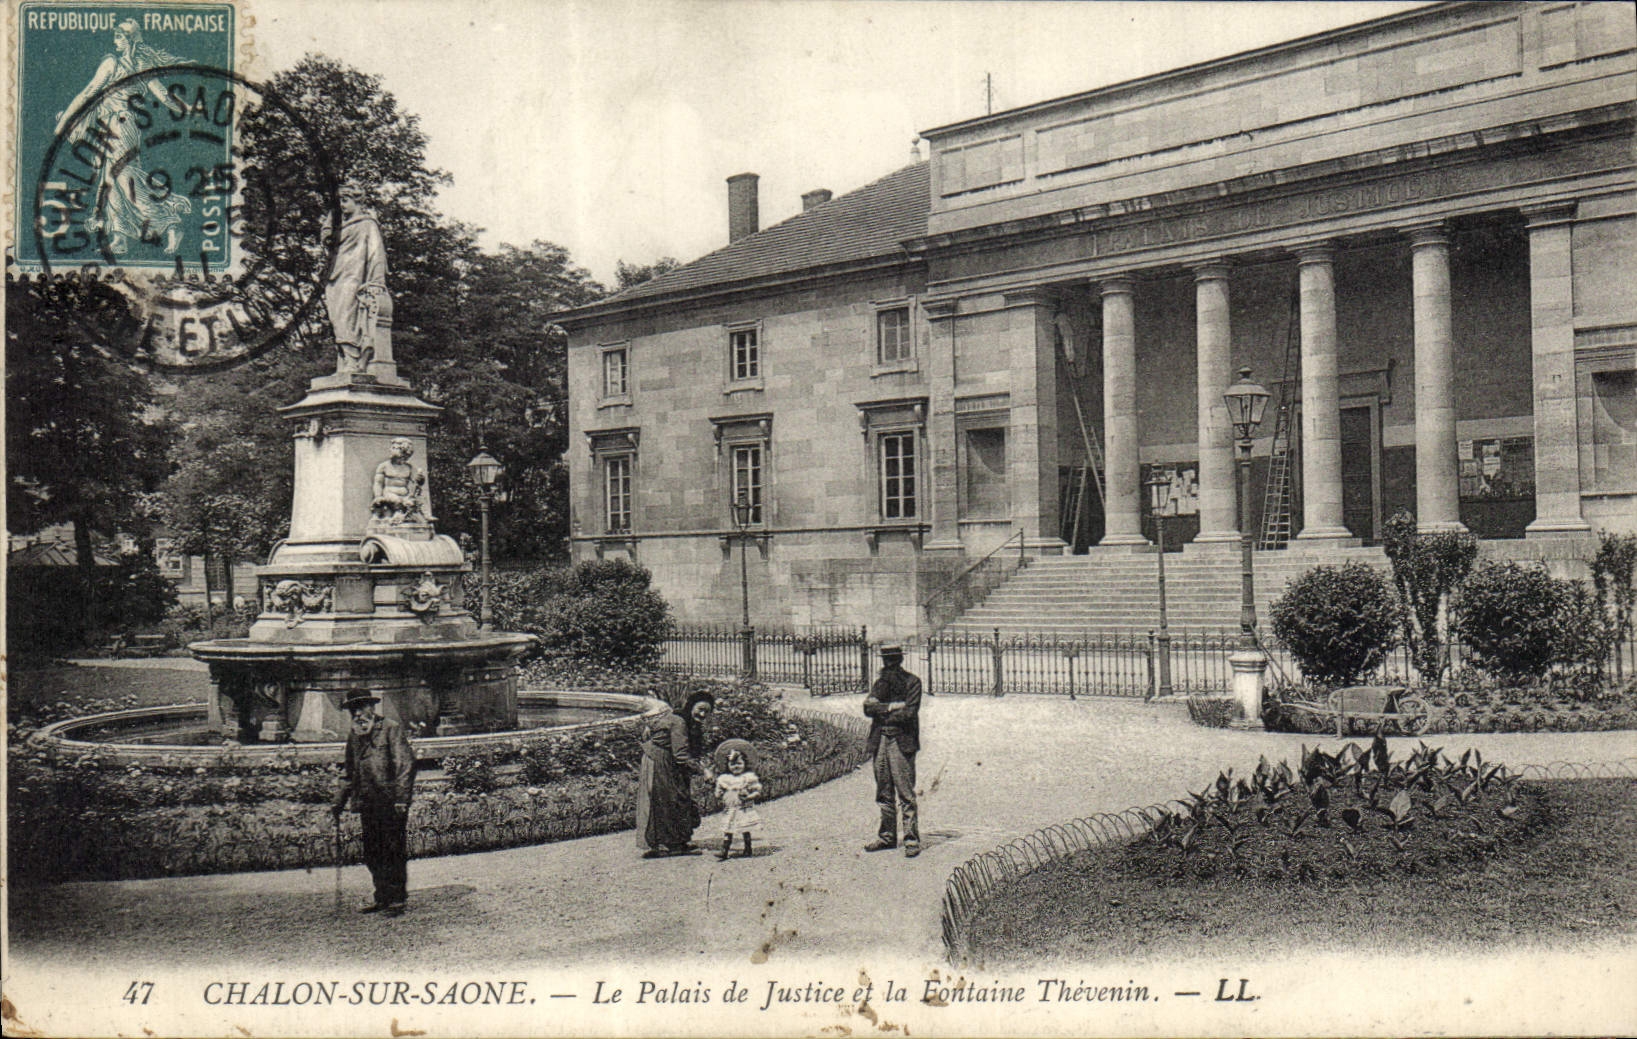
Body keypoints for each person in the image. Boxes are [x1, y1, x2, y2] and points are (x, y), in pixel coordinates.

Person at [53, 20, 192, 255]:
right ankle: (119, 236)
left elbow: (163, 95)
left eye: (118, 37)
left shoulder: (120, 63)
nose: (114, 41)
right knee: (111, 181)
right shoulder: (131, 63)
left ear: (129, 39)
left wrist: (187, 109)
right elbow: (90, 93)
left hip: (122, 124)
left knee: (125, 179)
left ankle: (170, 221)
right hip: (110, 125)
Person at [331, 691, 416, 916]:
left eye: (362, 707)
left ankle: (397, 898)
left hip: (390, 802)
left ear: (372, 707)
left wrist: (401, 799)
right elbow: (349, 771)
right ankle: (382, 896)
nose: (358, 714)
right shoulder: (355, 734)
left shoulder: (390, 728)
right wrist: (339, 800)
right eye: (353, 710)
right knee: (372, 852)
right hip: (367, 801)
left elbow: (404, 765)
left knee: (393, 849)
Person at [636, 690, 715, 858]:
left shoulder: (682, 719)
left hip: (662, 759)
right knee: (669, 799)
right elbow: (681, 755)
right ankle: (669, 845)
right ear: (691, 706)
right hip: (662, 761)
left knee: (674, 797)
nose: (702, 714)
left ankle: (674, 842)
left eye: (706, 712)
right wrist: (704, 771)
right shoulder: (679, 722)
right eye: (700, 709)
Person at [325, 186, 392, 374]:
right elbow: (327, 238)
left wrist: (377, 280)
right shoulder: (341, 228)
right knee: (337, 319)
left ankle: (353, 360)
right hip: (335, 278)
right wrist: (332, 216)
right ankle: (347, 360)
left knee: (347, 316)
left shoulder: (367, 224)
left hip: (353, 277)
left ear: (358, 201)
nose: (342, 205)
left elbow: (376, 253)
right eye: (340, 201)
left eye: (346, 200)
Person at [863, 644, 922, 858]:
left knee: (905, 792)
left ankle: (911, 839)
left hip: (901, 740)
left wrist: (882, 710)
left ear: (900, 660)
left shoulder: (912, 682)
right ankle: (887, 836)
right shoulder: (881, 683)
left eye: (893, 660)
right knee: (883, 791)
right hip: (880, 741)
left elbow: (909, 713)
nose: (890, 664)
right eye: (887, 661)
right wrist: (890, 707)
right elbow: (867, 708)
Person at [712, 740, 762, 860]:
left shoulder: (748, 778)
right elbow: (719, 791)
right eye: (732, 764)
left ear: (745, 763)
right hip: (730, 808)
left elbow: (757, 791)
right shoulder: (725, 778)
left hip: (743, 808)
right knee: (728, 829)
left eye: (739, 763)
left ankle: (748, 848)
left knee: (745, 828)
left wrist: (749, 796)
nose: (736, 767)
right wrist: (719, 794)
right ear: (727, 765)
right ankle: (725, 850)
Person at [371, 437, 429, 523]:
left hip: (405, 494)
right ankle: (398, 516)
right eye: (393, 448)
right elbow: (378, 483)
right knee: (397, 501)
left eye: (404, 457)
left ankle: (424, 516)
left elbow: (417, 482)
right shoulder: (384, 466)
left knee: (416, 501)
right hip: (389, 493)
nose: (392, 450)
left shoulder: (408, 467)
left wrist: (420, 479)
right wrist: (378, 496)